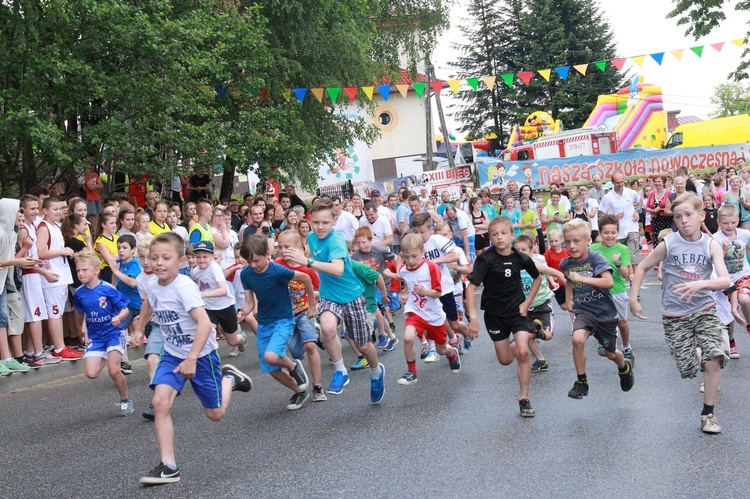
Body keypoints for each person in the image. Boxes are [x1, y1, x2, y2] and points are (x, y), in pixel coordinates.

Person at [131, 233, 252, 486]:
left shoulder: (184, 287)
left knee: (216, 414)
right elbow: (148, 305)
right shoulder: (153, 285)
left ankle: (230, 378)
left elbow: (206, 324)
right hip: (172, 354)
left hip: (201, 355)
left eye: (166, 257)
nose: (159, 263)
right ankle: (169, 466)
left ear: (181, 261)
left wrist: (192, 358)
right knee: (160, 402)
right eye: (154, 258)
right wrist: (140, 328)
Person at [630, 193, 730, 434]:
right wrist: (633, 299)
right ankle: (700, 351)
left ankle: (708, 414)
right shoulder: (669, 244)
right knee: (688, 369)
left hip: (704, 309)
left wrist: (701, 284)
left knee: (714, 359)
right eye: (678, 217)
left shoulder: (711, 244)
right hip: (675, 316)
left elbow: (725, 279)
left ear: (701, 216)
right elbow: (643, 266)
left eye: (688, 215)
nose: (684, 220)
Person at [280, 198, 385, 402]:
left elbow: (337, 269)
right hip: (329, 295)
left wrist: (307, 262)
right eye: (316, 222)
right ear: (310, 220)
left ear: (334, 221)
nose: (320, 227)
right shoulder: (310, 237)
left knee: (363, 345)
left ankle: (376, 372)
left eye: (325, 223)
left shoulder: (336, 240)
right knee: (327, 328)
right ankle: (340, 371)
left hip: (351, 296)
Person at [466, 216, 548, 418]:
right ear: (490, 238)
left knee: (522, 353)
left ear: (512, 235)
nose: (499, 237)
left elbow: (537, 278)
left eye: (504, 233)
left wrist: (528, 302)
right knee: (504, 360)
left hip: (517, 312)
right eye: (494, 234)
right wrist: (474, 318)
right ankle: (533, 332)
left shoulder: (520, 257)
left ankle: (524, 398)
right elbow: (471, 287)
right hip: (494, 315)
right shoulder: (485, 259)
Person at [237, 234, 316, 410]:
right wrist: (243, 312)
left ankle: (294, 366)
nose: (253, 265)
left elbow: (306, 278)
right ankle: (300, 391)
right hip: (265, 323)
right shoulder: (246, 274)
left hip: (283, 320)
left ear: (267, 254)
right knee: (271, 367)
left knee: (271, 356)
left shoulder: (277, 270)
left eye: (256, 260)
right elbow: (250, 302)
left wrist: (312, 305)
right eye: (249, 261)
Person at [560, 218, 634, 400]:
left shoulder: (595, 258)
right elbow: (569, 279)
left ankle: (624, 367)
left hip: (604, 313)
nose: (572, 246)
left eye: (576, 241)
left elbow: (608, 282)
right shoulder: (566, 263)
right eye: (568, 241)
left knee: (610, 354)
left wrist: (584, 279)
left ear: (588, 241)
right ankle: (582, 381)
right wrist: (568, 297)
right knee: (577, 339)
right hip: (584, 311)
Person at [73, 249, 134, 415]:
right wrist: (81, 330)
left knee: (114, 370)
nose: (80, 273)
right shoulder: (79, 293)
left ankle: (125, 400)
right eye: (78, 270)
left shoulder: (108, 289)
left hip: (113, 333)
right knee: (91, 373)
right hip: (95, 337)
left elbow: (125, 310)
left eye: (84, 269)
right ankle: (104, 354)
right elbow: (79, 314)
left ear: (96, 269)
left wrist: (119, 318)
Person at [397, 233, 461, 385]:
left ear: (423, 252)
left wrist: (424, 291)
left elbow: (438, 292)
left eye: (414, 256)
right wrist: (405, 293)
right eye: (407, 257)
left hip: (434, 315)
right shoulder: (404, 270)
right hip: (415, 311)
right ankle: (412, 372)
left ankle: (452, 354)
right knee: (408, 337)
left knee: (441, 350)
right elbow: (406, 281)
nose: (410, 261)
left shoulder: (431, 267)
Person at [275, 230, 326, 401]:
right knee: (297, 354)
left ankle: (318, 387)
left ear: (298, 247)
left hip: (304, 311)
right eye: (280, 246)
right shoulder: (277, 265)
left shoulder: (307, 269)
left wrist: (313, 305)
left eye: (287, 246)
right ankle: (316, 334)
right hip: (285, 316)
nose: (283, 250)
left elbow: (320, 290)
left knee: (310, 346)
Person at [36, 197, 83, 360]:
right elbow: (40, 252)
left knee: (58, 312)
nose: (58, 212)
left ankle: (61, 345)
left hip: (61, 274)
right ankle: (58, 347)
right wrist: (63, 251)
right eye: (54, 209)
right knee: (54, 312)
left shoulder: (56, 226)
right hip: (52, 275)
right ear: (45, 210)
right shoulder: (43, 228)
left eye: (60, 209)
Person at [513, 234, 563, 373]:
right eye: (517, 250)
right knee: (526, 336)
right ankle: (541, 360)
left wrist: (569, 290)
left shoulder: (536, 265)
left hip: (542, 304)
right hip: (524, 307)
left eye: (523, 250)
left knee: (548, 335)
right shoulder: (513, 268)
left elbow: (557, 274)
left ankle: (539, 333)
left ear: (531, 251)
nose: (520, 253)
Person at [590, 216, 634, 363]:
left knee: (622, 323)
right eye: (606, 233)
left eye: (613, 233)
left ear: (618, 232)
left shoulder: (623, 249)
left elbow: (625, 274)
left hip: (617, 290)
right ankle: (605, 341)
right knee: (601, 321)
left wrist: (618, 263)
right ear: (600, 233)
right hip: (600, 292)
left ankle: (626, 347)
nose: (610, 236)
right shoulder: (593, 249)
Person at [190, 241, 248, 352]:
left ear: (212, 256)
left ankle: (242, 338)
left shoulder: (214, 268)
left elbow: (224, 290)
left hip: (225, 307)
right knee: (208, 332)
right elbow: (199, 284)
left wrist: (204, 294)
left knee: (232, 341)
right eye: (198, 257)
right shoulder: (195, 271)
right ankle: (210, 359)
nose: (201, 260)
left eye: (205, 257)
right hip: (209, 308)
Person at [709, 204, 750, 359]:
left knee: (745, 299)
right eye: (725, 223)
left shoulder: (744, 234)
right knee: (728, 313)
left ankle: (749, 325)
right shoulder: (715, 239)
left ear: (738, 220)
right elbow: (714, 260)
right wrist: (724, 250)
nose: (729, 226)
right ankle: (731, 341)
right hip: (724, 279)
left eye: (733, 222)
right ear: (719, 221)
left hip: (742, 275)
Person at [111, 234, 142, 374]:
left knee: (150, 333)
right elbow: (114, 281)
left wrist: (116, 271)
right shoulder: (119, 263)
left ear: (133, 250)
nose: (121, 250)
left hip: (141, 305)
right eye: (119, 248)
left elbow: (132, 282)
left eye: (125, 247)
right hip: (127, 306)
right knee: (119, 329)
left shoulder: (134, 263)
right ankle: (125, 363)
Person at [598, 171, 641, 266]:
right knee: (619, 256)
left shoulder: (631, 193)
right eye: (617, 182)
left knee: (632, 254)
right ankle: (625, 275)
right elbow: (602, 215)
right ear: (613, 182)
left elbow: (639, 200)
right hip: (617, 231)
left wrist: (636, 211)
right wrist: (615, 218)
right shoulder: (608, 197)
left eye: (622, 182)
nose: (620, 184)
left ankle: (635, 279)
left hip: (631, 227)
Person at [82, 159, 104, 227]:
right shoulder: (86, 176)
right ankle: (93, 228)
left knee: (98, 214)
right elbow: (90, 188)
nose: (91, 167)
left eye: (92, 165)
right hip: (90, 198)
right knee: (93, 214)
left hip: (97, 197)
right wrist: (97, 186)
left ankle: (96, 227)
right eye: (90, 165)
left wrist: (94, 186)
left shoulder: (95, 175)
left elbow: (101, 186)